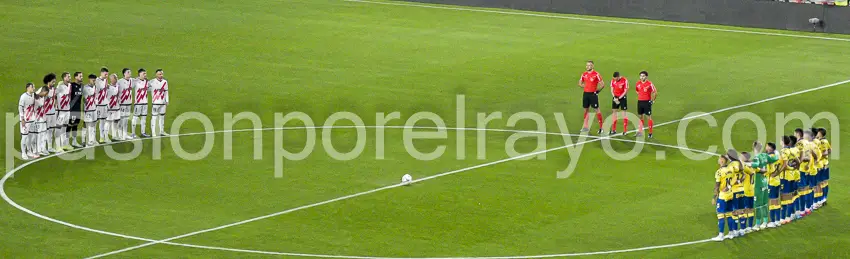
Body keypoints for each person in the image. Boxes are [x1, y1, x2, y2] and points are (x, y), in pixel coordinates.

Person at [712, 155, 736, 241]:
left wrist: (714, 197)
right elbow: (735, 180)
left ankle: (721, 235)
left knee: (720, 215)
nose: (718, 160)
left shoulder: (719, 172)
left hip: (722, 196)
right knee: (729, 214)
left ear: (722, 161)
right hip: (730, 195)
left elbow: (717, 186)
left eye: (719, 159)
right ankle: (731, 233)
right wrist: (729, 187)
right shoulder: (731, 169)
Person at [578, 61, 604, 135]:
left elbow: (602, 84)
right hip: (586, 94)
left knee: (597, 109)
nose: (587, 66)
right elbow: (580, 83)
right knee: (586, 109)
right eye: (587, 65)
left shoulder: (596, 74)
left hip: (593, 94)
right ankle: (585, 127)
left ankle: (601, 127)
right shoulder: (584, 74)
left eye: (589, 65)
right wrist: (586, 87)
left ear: (592, 66)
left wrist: (597, 91)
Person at [635, 71, 657, 138]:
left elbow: (655, 92)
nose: (642, 77)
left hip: (647, 102)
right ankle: (640, 132)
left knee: (648, 117)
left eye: (643, 76)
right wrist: (640, 95)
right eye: (641, 76)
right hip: (640, 102)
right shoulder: (638, 83)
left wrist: (652, 101)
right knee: (640, 116)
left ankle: (650, 133)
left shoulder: (649, 84)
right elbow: (637, 90)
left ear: (646, 77)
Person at [19, 83, 36, 160]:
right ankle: (23, 152)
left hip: (32, 119)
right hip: (25, 120)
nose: (34, 88)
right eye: (33, 87)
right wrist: (22, 119)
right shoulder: (23, 97)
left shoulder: (33, 95)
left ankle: (29, 151)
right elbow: (20, 108)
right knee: (25, 136)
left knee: (31, 136)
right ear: (28, 88)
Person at [149, 69, 169, 136]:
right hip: (155, 103)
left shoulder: (165, 82)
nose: (161, 75)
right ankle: (153, 132)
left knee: (162, 117)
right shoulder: (152, 82)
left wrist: (167, 100)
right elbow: (145, 88)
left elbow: (166, 91)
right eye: (159, 74)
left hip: (163, 103)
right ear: (156, 75)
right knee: (154, 117)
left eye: (162, 74)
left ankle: (162, 131)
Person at [132, 68, 150, 138]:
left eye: (145, 73)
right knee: (135, 118)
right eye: (143, 73)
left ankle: (143, 132)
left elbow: (149, 89)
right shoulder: (136, 81)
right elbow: (130, 86)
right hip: (138, 103)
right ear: (139, 74)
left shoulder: (147, 81)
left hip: (145, 102)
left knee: (144, 118)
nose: (145, 75)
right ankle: (133, 133)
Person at [68, 72, 84, 148]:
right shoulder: (71, 85)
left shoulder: (82, 86)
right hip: (72, 109)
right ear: (75, 77)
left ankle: (74, 141)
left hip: (78, 108)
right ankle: (66, 142)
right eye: (80, 76)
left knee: (75, 125)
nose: (82, 77)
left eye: (82, 76)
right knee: (69, 125)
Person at [816, 128, 831, 206]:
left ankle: (821, 200)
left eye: (817, 132)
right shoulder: (825, 141)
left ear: (820, 133)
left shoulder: (821, 141)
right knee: (824, 182)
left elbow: (825, 152)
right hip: (825, 163)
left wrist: (818, 156)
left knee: (820, 183)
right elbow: (829, 150)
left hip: (821, 165)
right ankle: (824, 199)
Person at [118, 68, 134, 140]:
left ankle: (125, 135)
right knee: (121, 119)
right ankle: (119, 135)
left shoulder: (132, 81)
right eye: (128, 72)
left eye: (130, 72)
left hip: (129, 103)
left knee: (126, 119)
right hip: (122, 103)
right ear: (124, 74)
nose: (129, 74)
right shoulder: (120, 82)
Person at [43, 73, 58, 153]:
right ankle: (43, 148)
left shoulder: (54, 89)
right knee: (45, 131)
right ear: (48, 81)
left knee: (51, 130)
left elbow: (55, 98)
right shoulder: (44, 89)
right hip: (45, 114)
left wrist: (55, 107)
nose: (53, 83)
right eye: (52, 82)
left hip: (53, 113)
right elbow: (37, 97)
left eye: (54, 82)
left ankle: (49, 147)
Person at [83, 74, 99, 146]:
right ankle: (88, 141)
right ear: (89, 79)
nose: (94, 81)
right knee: (89, 126)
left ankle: (93, 140)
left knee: (94, 125)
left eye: (95, 80)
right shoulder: (85, 88)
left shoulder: (95, 87)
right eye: (93, 80)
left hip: (94, 109)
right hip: (88, 109)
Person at [34, 86, 49, 156]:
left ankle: (43, 149)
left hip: (43, 118)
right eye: (46, 93)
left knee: (44, 134)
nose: (46, 95)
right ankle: (38, 150)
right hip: (37, 118)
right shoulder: (34, 96)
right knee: (38, 135)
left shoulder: (42, 97)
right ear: (43, 91)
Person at [96, 67, 110, 142]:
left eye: (107, 74)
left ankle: (102, 137)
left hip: (104, 104)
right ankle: (92, 139)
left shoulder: (106, 80)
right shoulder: (97, 81)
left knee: (103, 121)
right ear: (101, 73)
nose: (106, 75)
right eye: (105, 74)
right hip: (98, 105)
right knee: (95, 122)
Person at [106, 74, 120, 141]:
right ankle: (105, 137)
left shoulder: (118, 86)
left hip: (117, 107)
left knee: (116, 121)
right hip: (110, 107)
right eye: (115, 78)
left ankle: (114, 136)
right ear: (111, 79)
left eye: (116, 77)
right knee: (108, 122)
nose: (116, 79)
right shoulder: (108, 87)